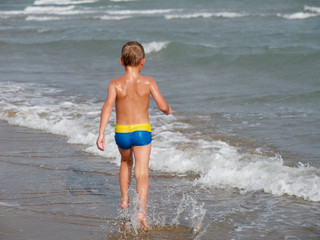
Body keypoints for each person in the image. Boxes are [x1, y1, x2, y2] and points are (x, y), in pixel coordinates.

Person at [96, 41, 172, 229]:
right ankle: (140, 213)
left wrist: (101, 134)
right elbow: (162, 106)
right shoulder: (149, 82)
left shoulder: (115, 84)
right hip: (141, 132)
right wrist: (169, 110)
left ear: (121, 61)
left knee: (125, 162)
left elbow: (107, 107)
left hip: (121, 132)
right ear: (143, 62)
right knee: (142, 172)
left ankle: (124, 199)